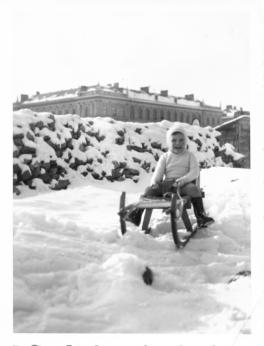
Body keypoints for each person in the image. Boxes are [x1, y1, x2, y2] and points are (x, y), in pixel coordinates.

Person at [124, 123, 214, 228]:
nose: (178, 143)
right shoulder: (165, 157)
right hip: (167, 184)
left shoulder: (189, 156)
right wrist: (155, 184)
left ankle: (201, 217)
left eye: (181, 140)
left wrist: (183, 180)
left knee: (194, 189)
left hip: (183, 185)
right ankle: (136, 215)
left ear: (185, 141)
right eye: (174, 140)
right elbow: (158, 173)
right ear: (169, 142)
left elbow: (195, 172)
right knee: (149, 190)